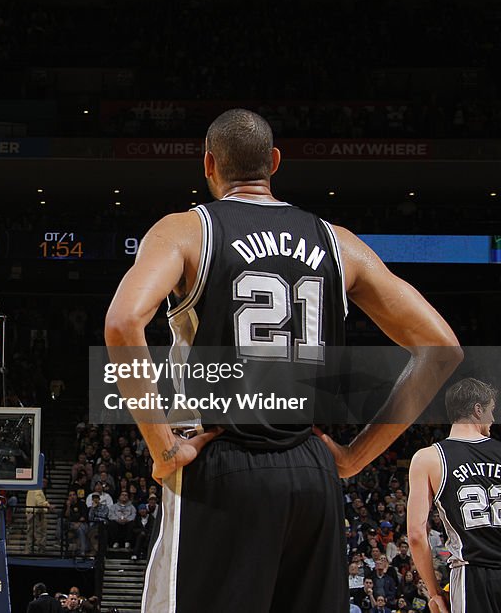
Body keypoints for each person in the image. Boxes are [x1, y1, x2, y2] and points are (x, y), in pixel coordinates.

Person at [104, 109, 463, 612]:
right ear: (274, 162)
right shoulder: (338, 242)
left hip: (222, 461)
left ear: (208, 164)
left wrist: (163, 447)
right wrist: (354, 456)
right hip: (311, 469)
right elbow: (442, 349)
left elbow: (122, 325)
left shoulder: (187, 230)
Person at [408, 378, 501, 613]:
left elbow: (417, 535)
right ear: (477, 410)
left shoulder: (428, 458)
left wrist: (434, 593)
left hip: (471, 576)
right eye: (491, 411)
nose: (492, 419)